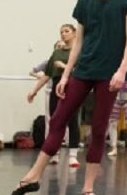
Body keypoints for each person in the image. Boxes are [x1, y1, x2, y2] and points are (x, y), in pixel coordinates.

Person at [8, 0, 127, 195]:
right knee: (58, 119)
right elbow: (78, 41)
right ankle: (33, 175)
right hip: (85, 68)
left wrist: (122, 70)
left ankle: (88, 189)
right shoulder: (84, 2)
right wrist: (66, 74)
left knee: (99, 128)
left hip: (110, 71)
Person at [26, 26, 84, 167]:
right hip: (57, 87)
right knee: (55, 121)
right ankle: (54, 153)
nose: (63, 34)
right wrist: (34, 90)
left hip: (73, 86)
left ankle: (72, 155)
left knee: (72, 120)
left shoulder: (80, 51)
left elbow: (81, 70)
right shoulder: (56, 53)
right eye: (61, 32)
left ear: (75, 33)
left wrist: (64, 66)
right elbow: (47, 74)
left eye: (66, 31)